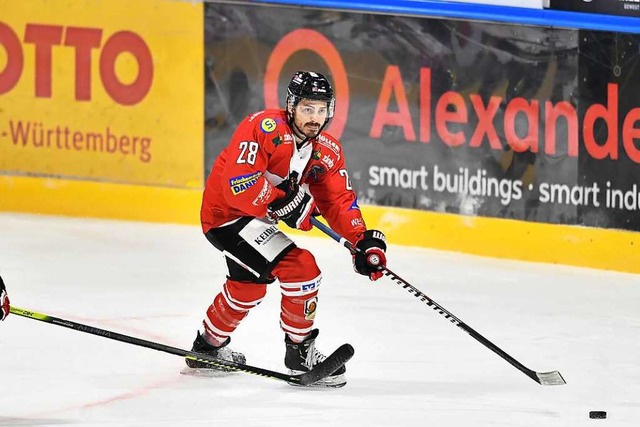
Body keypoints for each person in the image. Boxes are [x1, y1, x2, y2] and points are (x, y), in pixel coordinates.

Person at [187, 71, 388, 387]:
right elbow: (239, 186)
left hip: (255, 219)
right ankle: (299, 352)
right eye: (308, 108)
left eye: (322, 110)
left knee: (248, 287)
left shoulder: (326, 151)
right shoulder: (262, 128)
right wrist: (284, 201)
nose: (315, 118)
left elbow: (338, 201)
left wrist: (361, 241)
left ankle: (207, 348)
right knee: (302, 268)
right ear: (292, 106)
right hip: (226, 215)